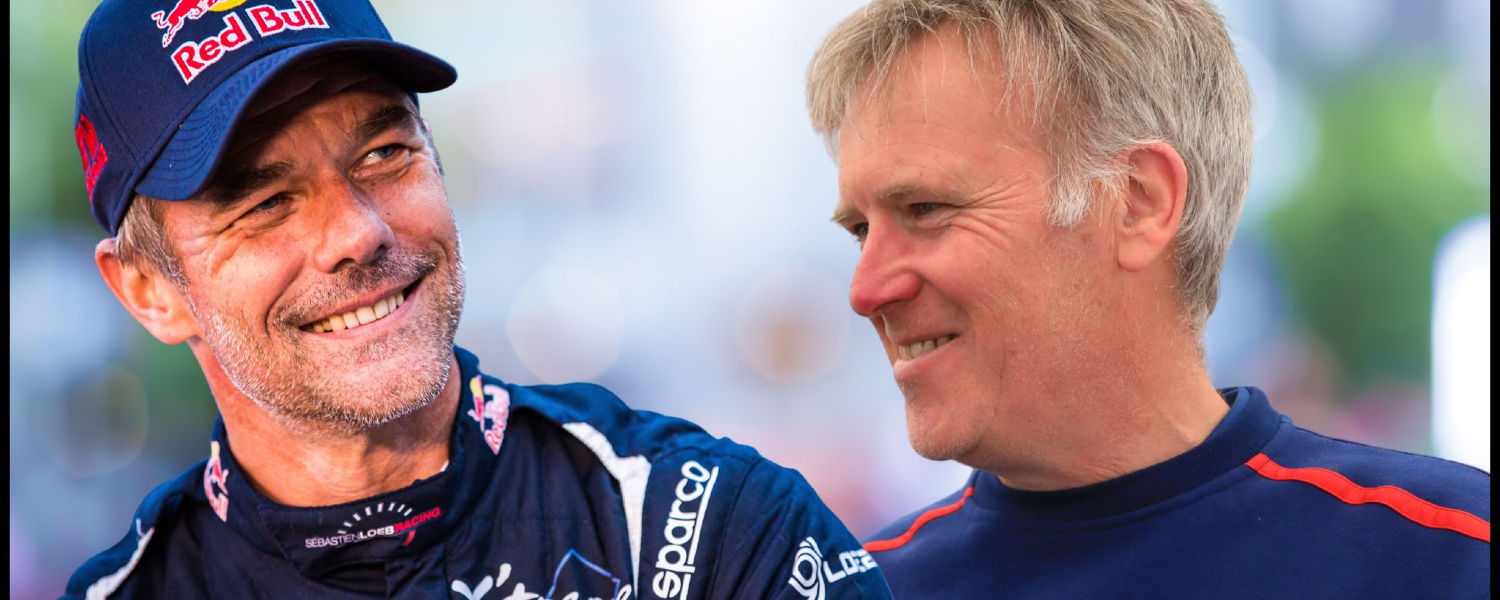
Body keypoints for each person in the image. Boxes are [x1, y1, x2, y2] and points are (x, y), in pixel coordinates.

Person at [62, 1, 893, 599]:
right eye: (266, 203)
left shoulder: (709, 530)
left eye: (384, 153)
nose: (357, 232)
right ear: (149, 291)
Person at [803, 0, 1490, 597]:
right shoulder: (857, 588)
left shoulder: (1450, 557)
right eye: (861, 230)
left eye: (925, 209)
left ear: (1137, 202)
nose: (866, 291)